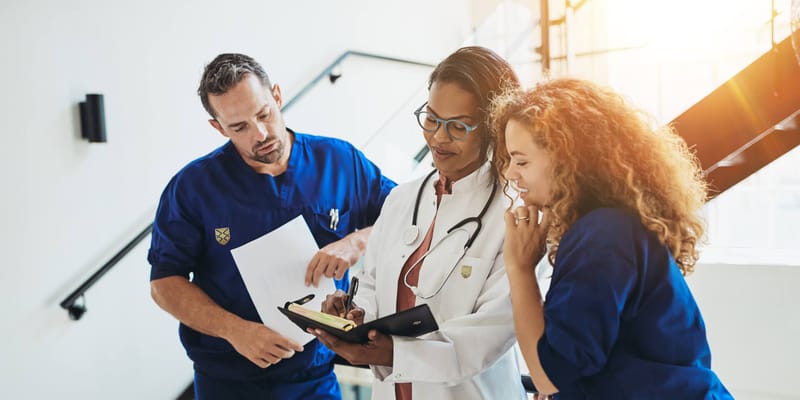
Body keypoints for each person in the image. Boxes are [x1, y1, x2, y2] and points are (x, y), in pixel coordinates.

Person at [147, 53, 396, 400]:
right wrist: (235, 330)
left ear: (277, 96)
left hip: (317, 377)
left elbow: (407, 216)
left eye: (263, 113)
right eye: (239, 127)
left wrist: (357, 241)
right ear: (218, 128)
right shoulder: (193, 188)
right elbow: (164, 283)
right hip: (228, 382)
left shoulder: (340, 162)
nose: (260, 133)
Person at [493, 78, 733, 399]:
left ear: (567, 159)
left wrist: (519, 268)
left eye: (522, 161)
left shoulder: (602, 235)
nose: (510, 174)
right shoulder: (612, 227)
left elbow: (553, 377)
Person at [312, 46, 527, 399]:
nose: (438, 138)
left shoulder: (513, 214)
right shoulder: (400, 200)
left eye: (458, 126)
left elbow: (490, 334)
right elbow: (370, 283)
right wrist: (354, 314)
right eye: (431, 118)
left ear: (492, 128)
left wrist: (396, 353)